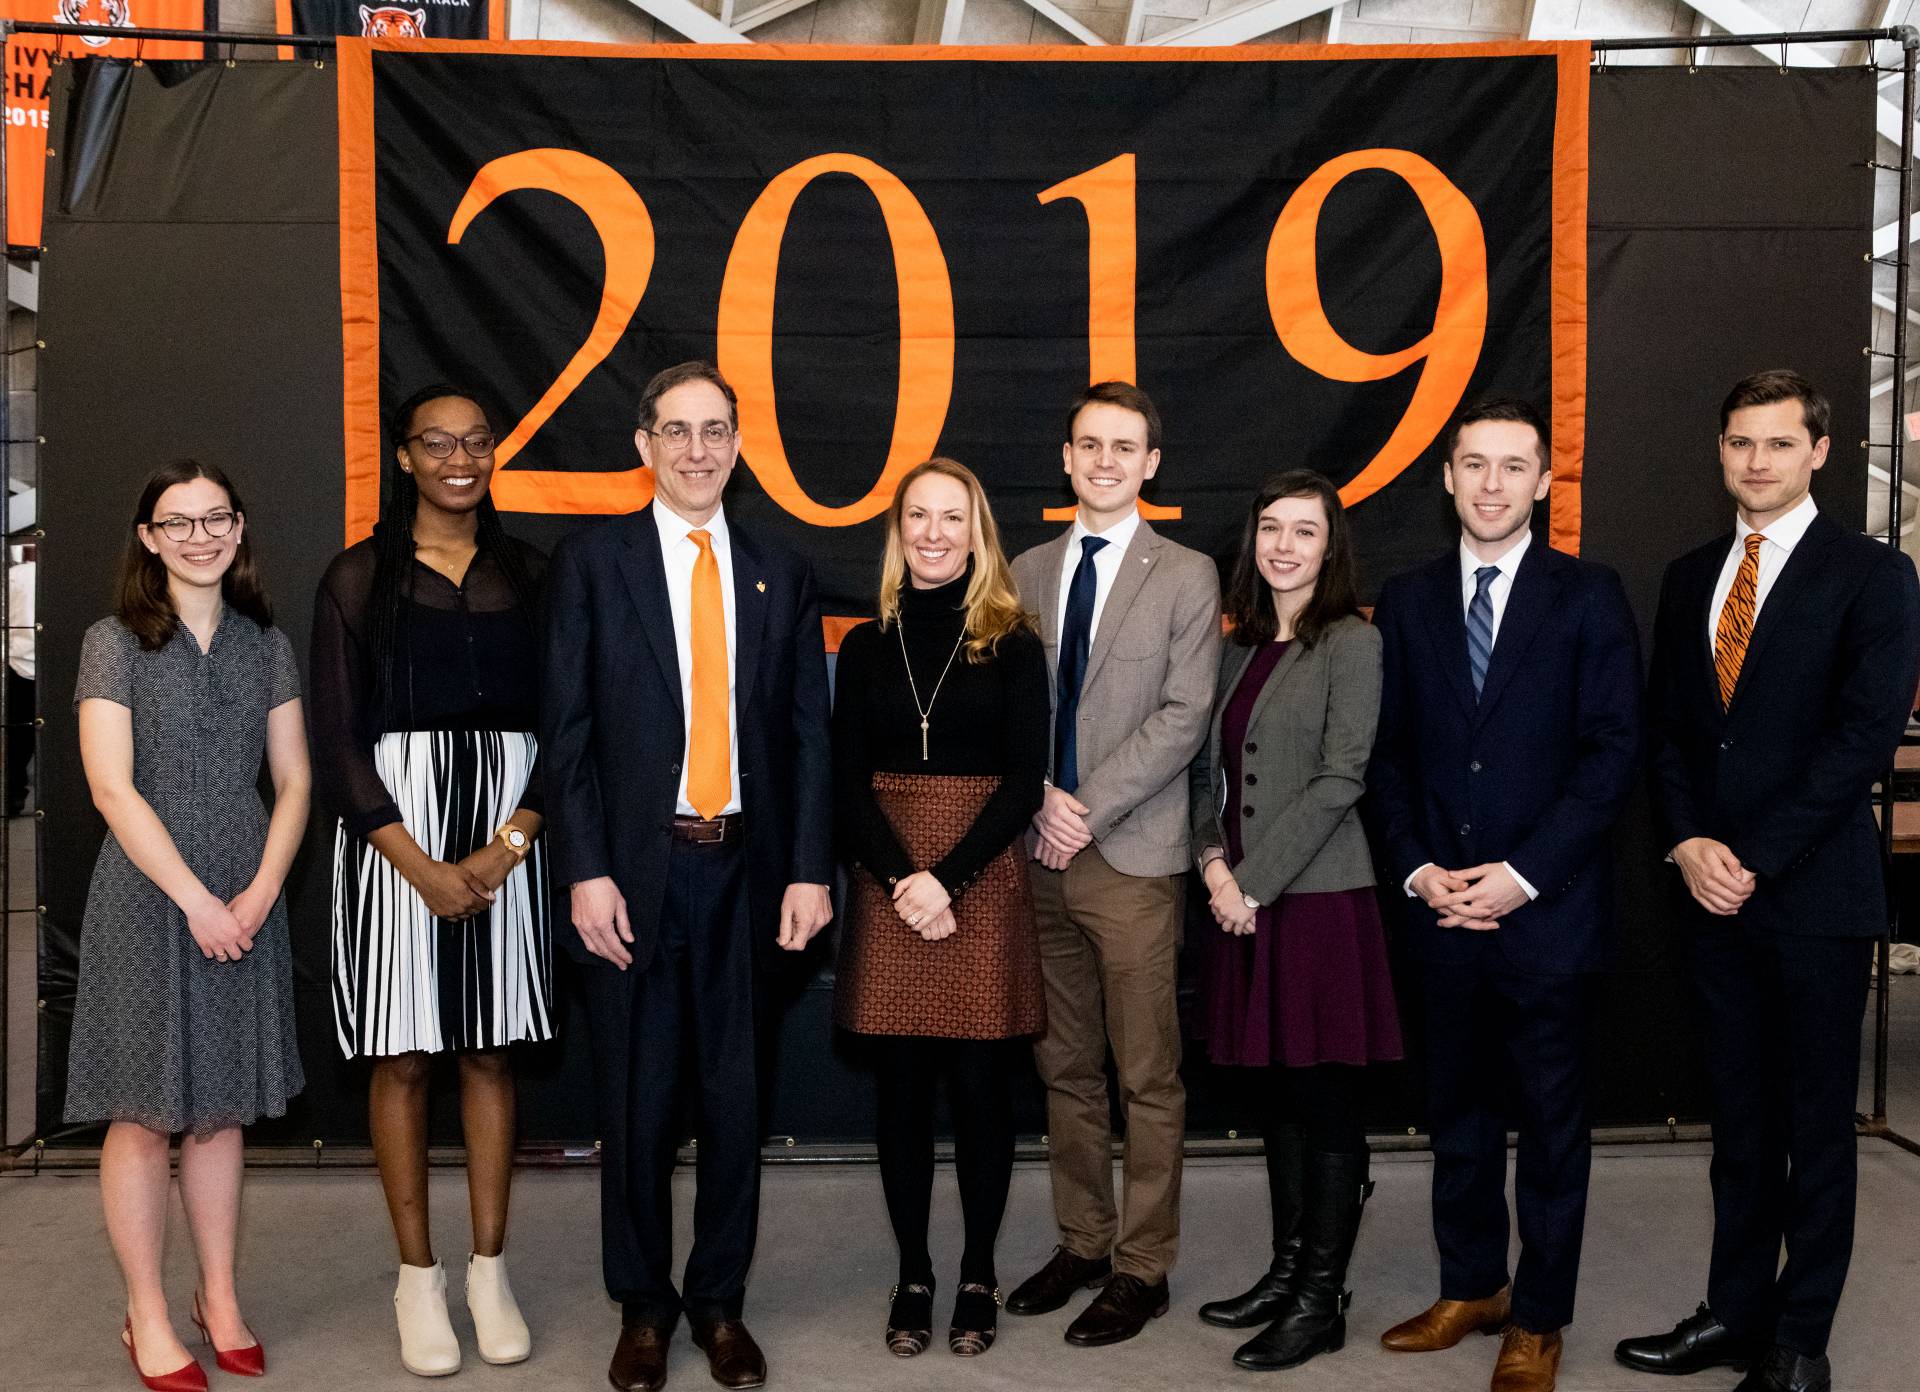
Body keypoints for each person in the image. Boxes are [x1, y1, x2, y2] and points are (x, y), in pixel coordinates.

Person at [1619, 370, 1920, 1392]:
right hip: (1711, 897)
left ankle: (1800, 1346)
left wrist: (1755, 856)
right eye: (1741, 442)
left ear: (1820, 452)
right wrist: (1690, 843)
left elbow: (1863, 739)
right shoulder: (1691, 571)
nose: (1757, 461)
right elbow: (1669, 732)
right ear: (1721, 451)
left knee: (1815, 1129)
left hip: (1814, 898)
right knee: (1740, 1125)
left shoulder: (1872, 576)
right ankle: (1736, 1313)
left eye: (1780, 444)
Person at [542, 360, 834, 1392]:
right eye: (676, 431)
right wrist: (583, 870)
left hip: (747, 878)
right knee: (636, 1104)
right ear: (643, 445)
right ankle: (643, 1309)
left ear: (740, 444)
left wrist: (809, 868)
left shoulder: (779, 571)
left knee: (736, 1101)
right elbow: (567, 733)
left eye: (715, 431)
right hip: (633, 878)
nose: (697, 450)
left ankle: (718, 1304)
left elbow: (808, 737)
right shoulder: (591, 564)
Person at [1367, 399, 1641, 1392]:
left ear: (1542, 482)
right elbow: (1386, 757)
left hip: (1548, 917)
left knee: (1553, 1127)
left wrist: (1521, 879)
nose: (1490, 484)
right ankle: (1471, 1285)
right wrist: (1418, 869)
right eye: (1473, 465)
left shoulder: (1589, 596)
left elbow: (1613, 755)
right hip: (1441, 914)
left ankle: (1538, 1315)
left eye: (1511, 466)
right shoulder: (1405, 601)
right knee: (1459, 1116)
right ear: (1446, 478)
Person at [309, 385, 551, 1377]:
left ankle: (490, 1270)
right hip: (391, 845)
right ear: (403, 457)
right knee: (403, 1059)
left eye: (477, 441)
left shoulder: (533, 575)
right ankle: (419, 1279)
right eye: (436, 442)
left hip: (509, 842)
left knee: (490, 1054)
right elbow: (336, 739)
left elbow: (567, 729)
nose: (460, 457)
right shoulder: (358, 577)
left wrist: (505, 849)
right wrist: (418, 866)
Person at [67, 461, 308, 1392]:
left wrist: (256, 893)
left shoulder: (266, 644)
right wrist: (197, 900)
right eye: (178, 522)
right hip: (147, 897)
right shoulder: (112, 642)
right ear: (149, 537)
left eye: (216, 519)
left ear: (239, 529)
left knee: (218, 1112)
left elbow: (292, 783)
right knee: (143, 1112)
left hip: (247, 895)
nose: (199, 536)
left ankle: (219, 1294)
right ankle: (148, 1312)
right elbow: (109, 787)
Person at [1004, 380, 1221, 1347]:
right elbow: (1012, 710)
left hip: (1129, 856)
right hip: (1036, 855)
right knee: (1065, 1067)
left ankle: (1143, 1266)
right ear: (1065, 456)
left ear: (1151, 464)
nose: (1104, 461)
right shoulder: (1025, 569)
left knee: (1147, 1076)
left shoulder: (1187, 574)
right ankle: (1084, 1241)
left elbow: (1184, 717)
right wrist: (1038, 806)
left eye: (1123, 447)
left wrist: (1082, 812)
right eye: (1088, 444)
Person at [831, 458, 1050, 1360]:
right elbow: (845, 782)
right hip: (890, 877)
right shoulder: (866, 644)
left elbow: (1022, 783)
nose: (932, 533)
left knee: (980, 1089)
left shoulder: (1014, 640)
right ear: (898, 530)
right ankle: (916, 1270)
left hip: (982, 875)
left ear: (977, 531)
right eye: (917, 517)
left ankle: (977, 1272)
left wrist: (945, 879)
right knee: (905, 1092)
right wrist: (899, 879)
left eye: (950, 518)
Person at [1189, 470, 1402, 1372]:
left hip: (1314, 903)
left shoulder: (1353, 643)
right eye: (1270, 529)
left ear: (1331, 546)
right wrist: (1210, 864)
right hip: (1239, 900)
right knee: (1278, 1097)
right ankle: (1286, 1273)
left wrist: (1253, 884)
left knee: (1325, 1103)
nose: (1282, 546)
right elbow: (1209, 775)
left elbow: (1341, 778)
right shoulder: (1237, 648)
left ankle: (1324, 1299)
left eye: (1303, 532)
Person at [8, 545, 34, 815]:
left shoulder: (15, 577)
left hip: (17, 663)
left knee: (17, 736)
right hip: (56, 665)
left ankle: (13, 793)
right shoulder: (57, 578)